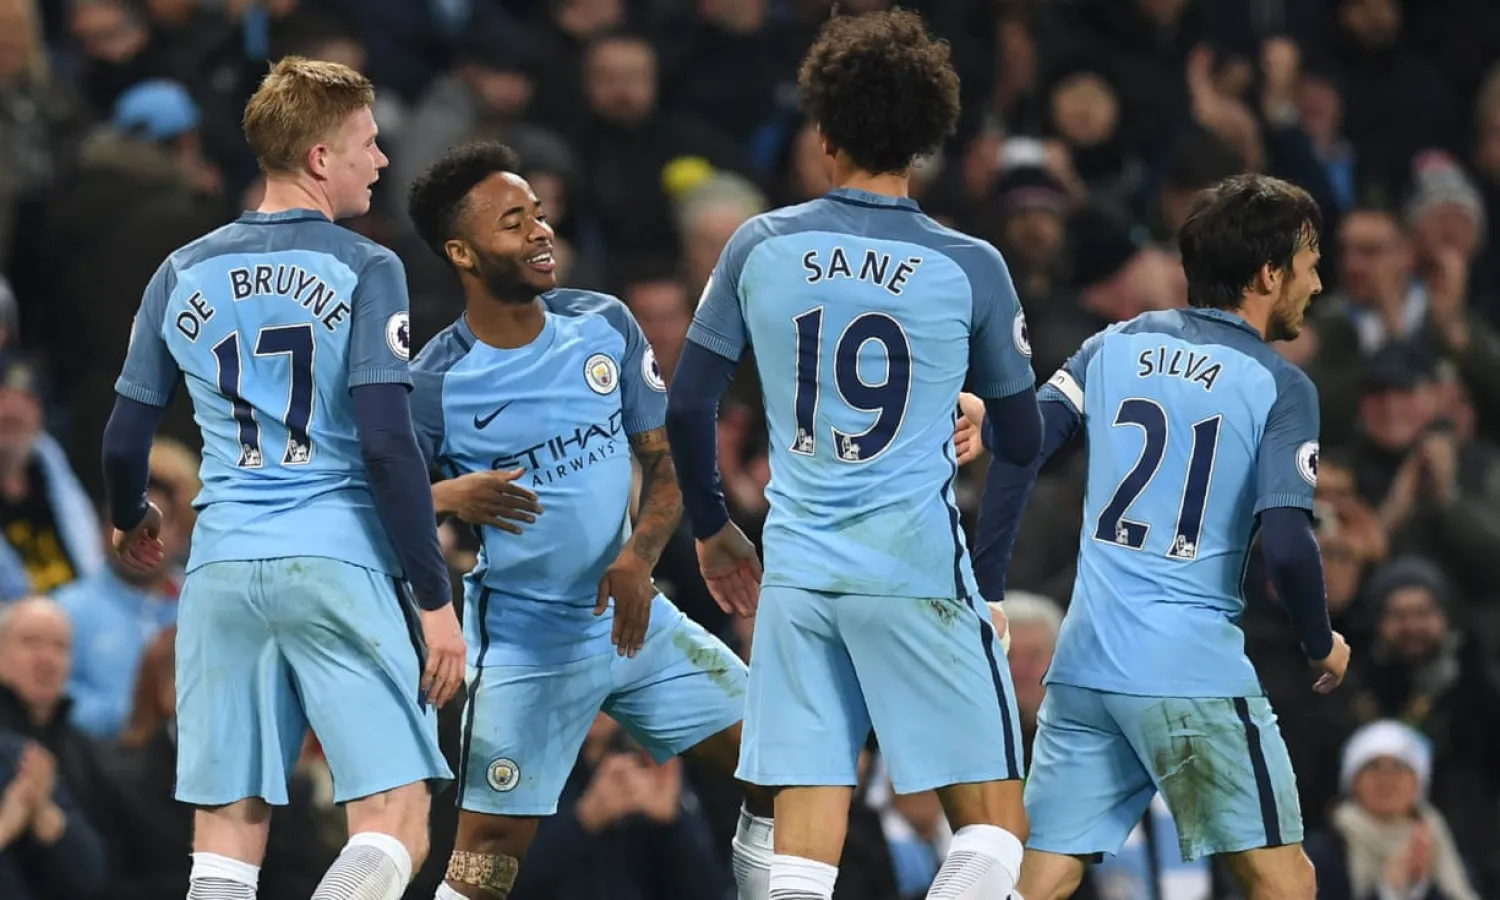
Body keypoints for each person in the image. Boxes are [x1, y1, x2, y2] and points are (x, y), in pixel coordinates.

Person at [664, 10, 1042, 900]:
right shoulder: (970, 263)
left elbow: (688, 405)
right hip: (915, 569)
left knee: (802, 848)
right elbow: (1023, 443)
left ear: (822, 133)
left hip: (797, 573)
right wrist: (981, 427)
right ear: (927, 141)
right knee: (994, 831)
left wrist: (716, 530)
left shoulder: (759, 243)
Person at [100, 56, 463, 900]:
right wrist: (434, 601)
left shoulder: (178, 272)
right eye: (367, 144)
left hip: (221, 570)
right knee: (395, 821)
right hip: (334, 560)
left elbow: (124, 441)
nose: (380, 161)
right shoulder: (369, 269)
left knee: (227, 840)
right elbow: (384, 443)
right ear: (318, 160)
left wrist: (134, 513)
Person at [960, 173, 1349, 900]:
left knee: (1037, 880)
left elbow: (1020, 445)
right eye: (1309, 263)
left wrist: (987, 587)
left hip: (1086, 669)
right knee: (1286, 882)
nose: (1318, 283)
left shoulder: (1113, 345)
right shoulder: (1280, 384)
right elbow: (1290, 544)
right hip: (1189, 674)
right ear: (1269, 275)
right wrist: (1320, 639)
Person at [404, 140, 775, 900]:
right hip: (525, 645)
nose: (540, 231)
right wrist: (450, 498)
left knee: (782, 768)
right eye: (514, 222)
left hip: (635, 622)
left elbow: (665, 467)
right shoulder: (435, 382)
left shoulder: (603, 323)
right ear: (461, 252)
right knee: (486, 861)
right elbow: (360, 499)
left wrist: (638, 557)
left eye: (539, 214)